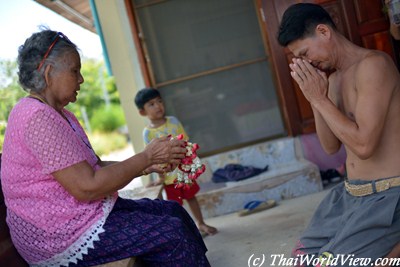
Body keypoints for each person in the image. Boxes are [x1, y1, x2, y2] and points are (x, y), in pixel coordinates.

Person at [1, 28, 211, 267]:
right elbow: (87, 187)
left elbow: (96, 167)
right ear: (49, 73)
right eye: (75, 71)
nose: (81, 79)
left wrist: (148, 165)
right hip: (58, 237)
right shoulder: (36, 117)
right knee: (172, 234)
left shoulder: (61, 114)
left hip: (78, 217)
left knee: (174, 212)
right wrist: (145, 157)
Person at [278, 3, 400, 265]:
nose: (306, 62)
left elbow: (365, 145)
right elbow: (330, 146)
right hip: (349, 195)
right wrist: (316, 98)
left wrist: (319, 101)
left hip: (388, 198)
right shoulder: (332, 80)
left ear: (323, 31)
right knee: (303, 259)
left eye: (304, 52)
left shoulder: (374, 65)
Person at [134, 88, 218, 236]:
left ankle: (201, 223)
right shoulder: (148, 133)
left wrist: (190, 163)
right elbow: (150, 156)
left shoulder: (173, 121)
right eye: (151, 104)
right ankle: (186, 232)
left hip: (183, 170)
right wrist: (159, 178)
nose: (158, 106)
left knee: (191, 197)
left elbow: (185, 141)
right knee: (176, 205)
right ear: (142, 112)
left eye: (159, 101)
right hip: (168, 176)